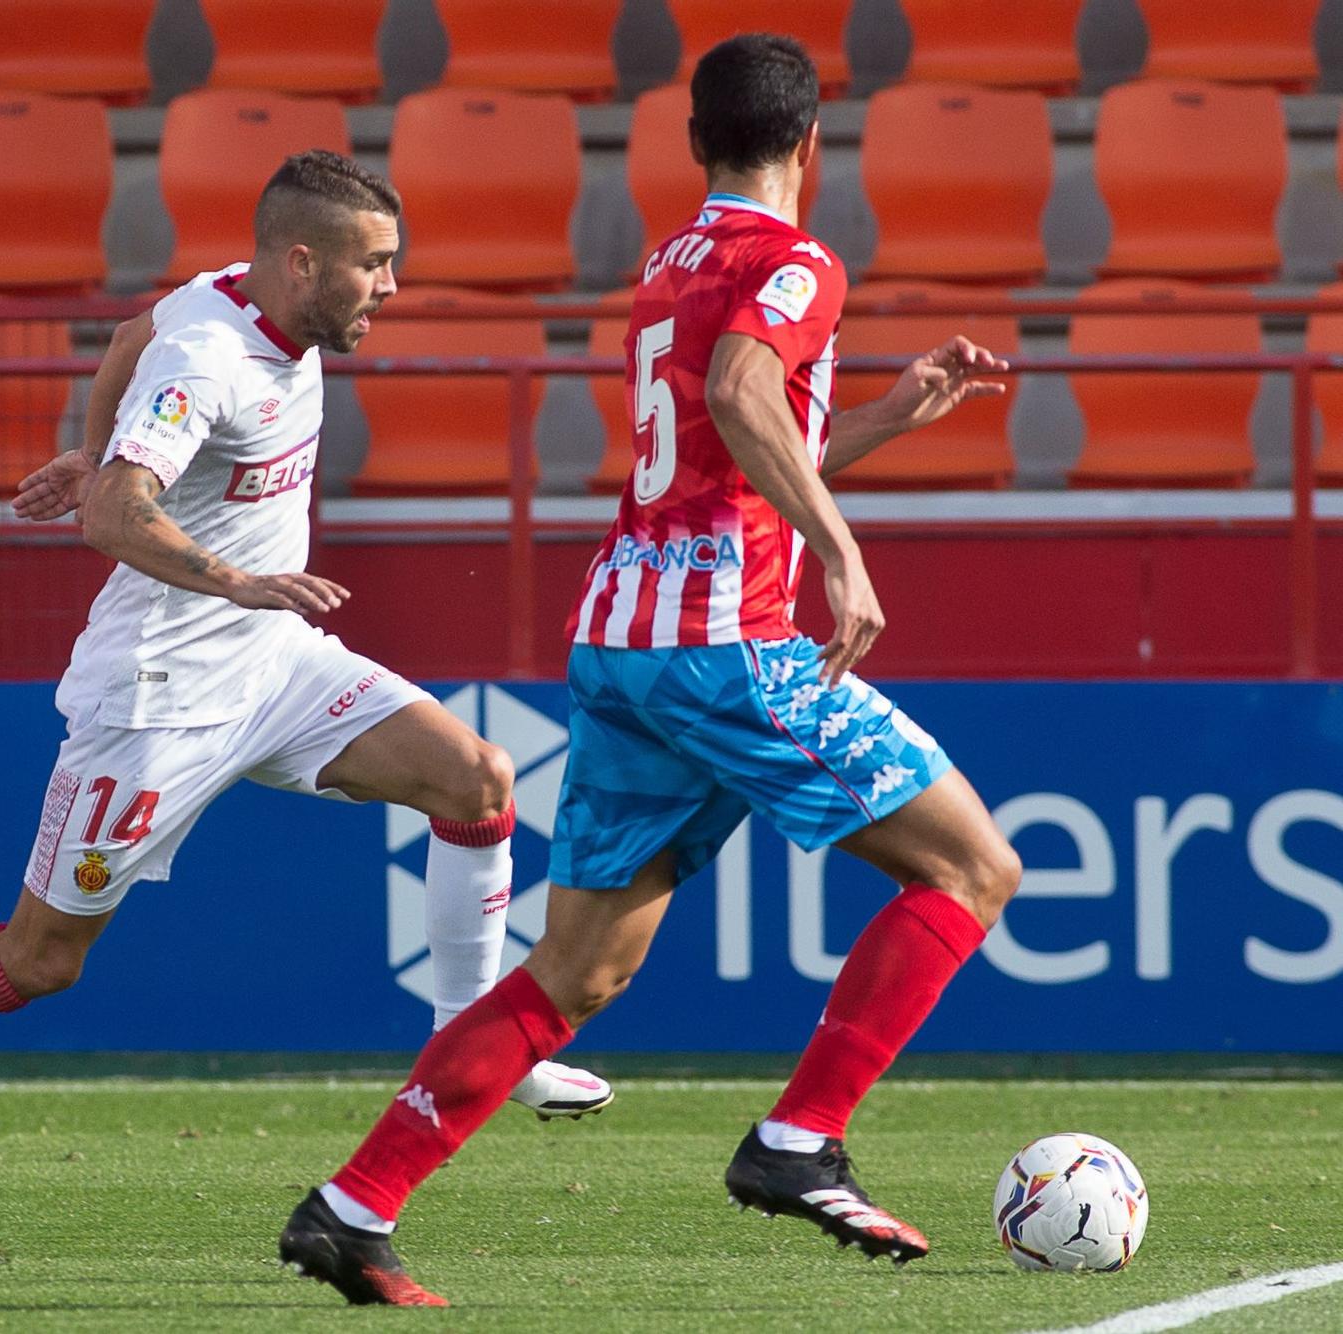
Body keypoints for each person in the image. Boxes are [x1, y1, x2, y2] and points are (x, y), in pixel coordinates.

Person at [0, 150, 612, 1253]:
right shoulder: (210, 356)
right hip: (156, 695)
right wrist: (208, 552)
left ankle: (471, 1038)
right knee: (39, 957)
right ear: (303, 262)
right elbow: (114, 519)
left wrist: (96, 443)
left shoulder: (220, 298)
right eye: (373, 266)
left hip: (274, 662)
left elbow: (124, 337)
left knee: (479, 777)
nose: (389, 287)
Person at [278, 34, 1026, 1306]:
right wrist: (840, 554)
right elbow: (742, 395)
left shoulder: (667, 262)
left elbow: (726, 455)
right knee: (971, 866)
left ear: (694, 144)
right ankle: (796, 1140)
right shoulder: (798, 263)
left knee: (577, 968)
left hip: (621, 639)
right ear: (810, 142)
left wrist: (889, 414)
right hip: (724, 646)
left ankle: (351, 1205)